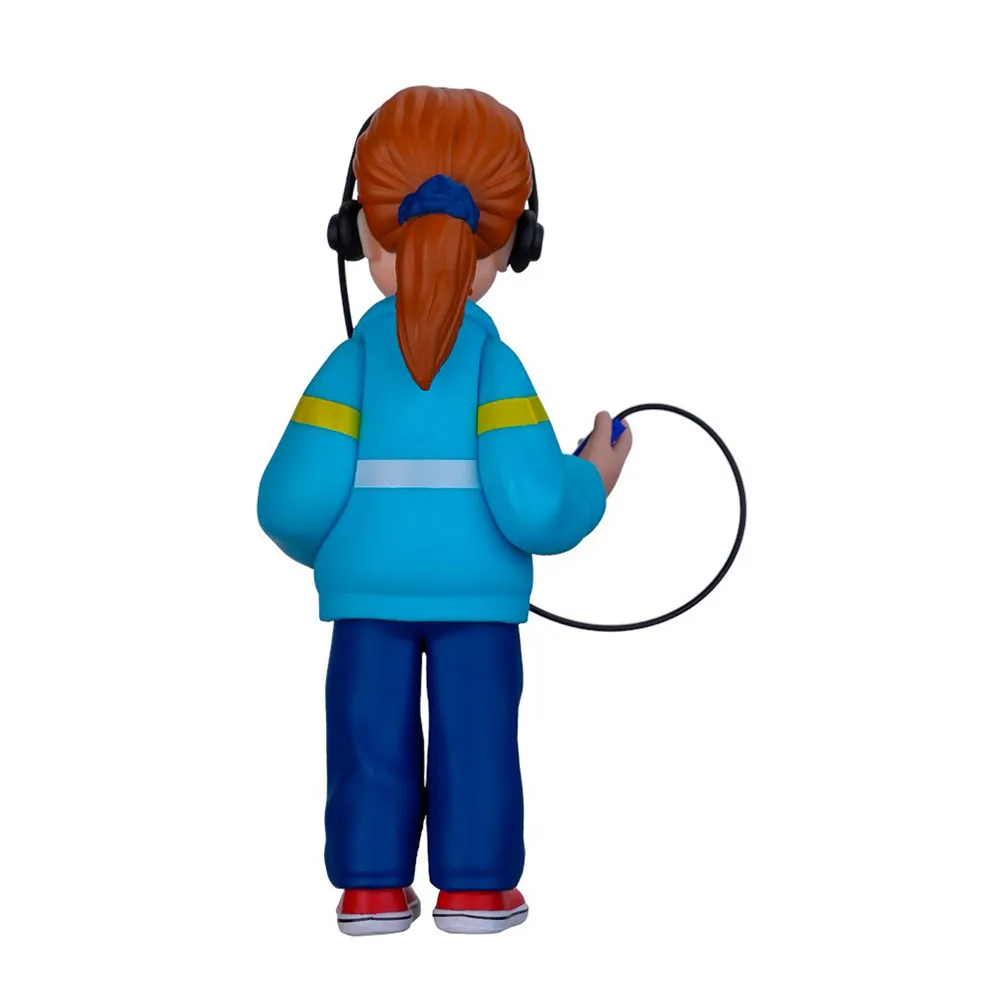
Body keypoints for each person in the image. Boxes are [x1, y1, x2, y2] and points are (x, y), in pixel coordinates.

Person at [257, 85, 632, 935]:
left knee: (366, 735)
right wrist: (595, 477)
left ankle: (371, 891)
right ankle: (476, 889)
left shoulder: (351, 366)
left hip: (366, 603)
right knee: (477, 736)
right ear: (513, 244)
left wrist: (350, 555)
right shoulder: (494, 366)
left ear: (357, 232)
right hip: (478, 605)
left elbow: (288, 501)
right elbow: (536, 508)